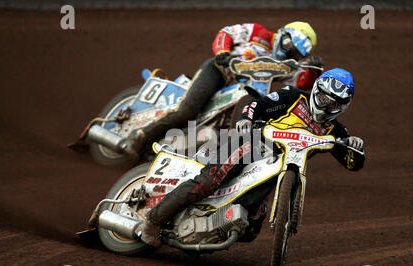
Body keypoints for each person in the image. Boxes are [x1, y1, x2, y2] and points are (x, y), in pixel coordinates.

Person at [136, 68, 366, 247]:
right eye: (324, 98)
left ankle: (204, 229)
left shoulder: (337, 132)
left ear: (343, 106)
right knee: (209, 181)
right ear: (317, 90)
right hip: (253, 144)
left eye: (334, 103)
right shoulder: (294, 96)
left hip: (278, 169)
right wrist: (246, 120)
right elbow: (257, 103)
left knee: (251, 229)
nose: (327, 105)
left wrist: (355, 149)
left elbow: (352, 164)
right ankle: (153, 222)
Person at [122, 22, 324, 158]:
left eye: (298, 54)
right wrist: (223, 53)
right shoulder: (258, 32)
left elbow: (301, 84)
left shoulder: (284, 65)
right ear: (285, 37)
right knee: (188, 111)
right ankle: (139, 136)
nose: (292, 53)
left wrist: (314, 72)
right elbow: (226, 33)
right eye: (292, 47)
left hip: (243, 94)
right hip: (219, 70)